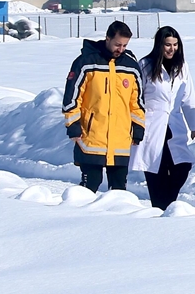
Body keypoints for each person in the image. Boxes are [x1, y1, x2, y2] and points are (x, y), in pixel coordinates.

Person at [62, 21, 146, 193]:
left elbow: (136, 103)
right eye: (117, 44)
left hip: (120, 142)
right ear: (107, 38)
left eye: (124, 45)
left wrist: (138, 127)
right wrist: (74, 126)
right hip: (90, 139)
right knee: (89, 187)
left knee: (119, 192)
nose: (120, 49)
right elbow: (72, 99)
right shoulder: (86, 63)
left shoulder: (131, 67)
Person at [130, 26, 195, 210]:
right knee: (156, 171)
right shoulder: (145, 65)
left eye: (175, 45)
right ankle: (160, 208)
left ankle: (167, 203)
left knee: (182, 166)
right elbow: (136, 97)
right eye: (168, 45)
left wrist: (194, 124)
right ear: (159, 45)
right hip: (152, 125)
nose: (172, 49)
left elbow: (188, 97)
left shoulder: (182, 66)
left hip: (174, 124)